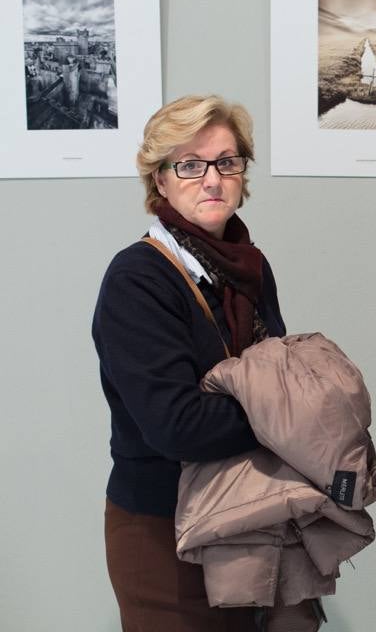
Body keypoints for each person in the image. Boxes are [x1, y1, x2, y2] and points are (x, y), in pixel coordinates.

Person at [94, 95, 285, 631]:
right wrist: (285, 417)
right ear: (159, 179)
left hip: (246, 512)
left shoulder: (250, 267)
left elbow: (277, 378)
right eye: (190, 164)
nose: (212, 179)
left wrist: (281, 405)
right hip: (163, 531)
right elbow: (177, 427)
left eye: (227, 162)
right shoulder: (138, 279)